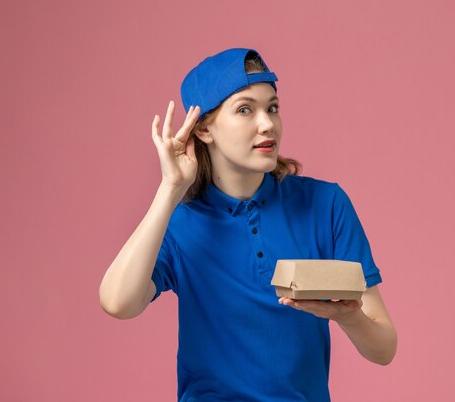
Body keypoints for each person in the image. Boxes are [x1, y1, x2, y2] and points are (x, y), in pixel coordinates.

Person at [99, 48, 398, 401]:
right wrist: (170, 190)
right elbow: (118, 303)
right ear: (205, 129)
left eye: (272, 107)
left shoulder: (325, 205)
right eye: (245, 110)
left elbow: (383, 348)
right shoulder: (179, 221)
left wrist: (347, 317)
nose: (267, 123)